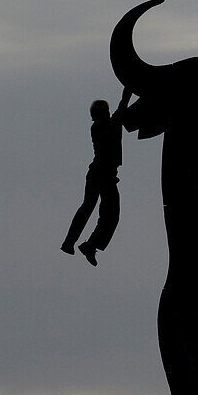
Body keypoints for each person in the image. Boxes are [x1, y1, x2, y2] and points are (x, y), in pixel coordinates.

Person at [61, 86, 135, 266]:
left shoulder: (106, 124)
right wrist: (128, 86)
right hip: (102, 174)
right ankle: (77, 243)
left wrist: (129, 87)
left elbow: (123, 103)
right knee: (103, 212)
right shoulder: (104, 126)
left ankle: (86, 244)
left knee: (99, 211)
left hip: (102, 174)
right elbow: (123, 103)